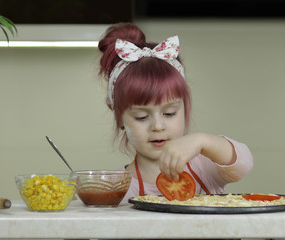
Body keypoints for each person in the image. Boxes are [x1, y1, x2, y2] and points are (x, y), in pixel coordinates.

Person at [98, 23, 254, 204]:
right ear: (119, 118)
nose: (158, 126)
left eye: (169, 113)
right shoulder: (115, 187)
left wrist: (202, 141)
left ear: (185, 109)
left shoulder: (203, 166)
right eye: (141, 117)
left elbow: (244, 163)